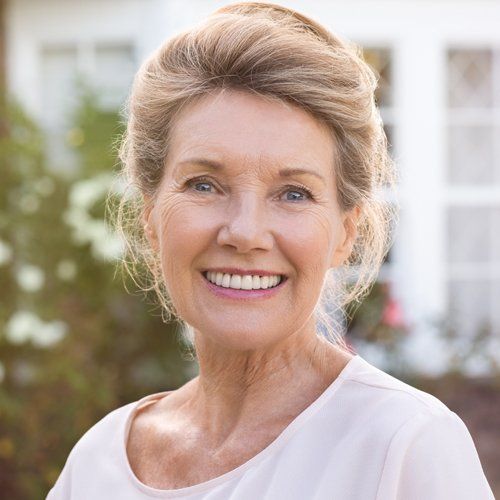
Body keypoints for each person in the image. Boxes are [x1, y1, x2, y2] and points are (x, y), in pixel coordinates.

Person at [47, 2, 495, 499]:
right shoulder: (98, 462)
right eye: (204, 185)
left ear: (345, 232)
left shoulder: (403, 444)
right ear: (150, 218)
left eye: (294, 194)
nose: (245, 232)